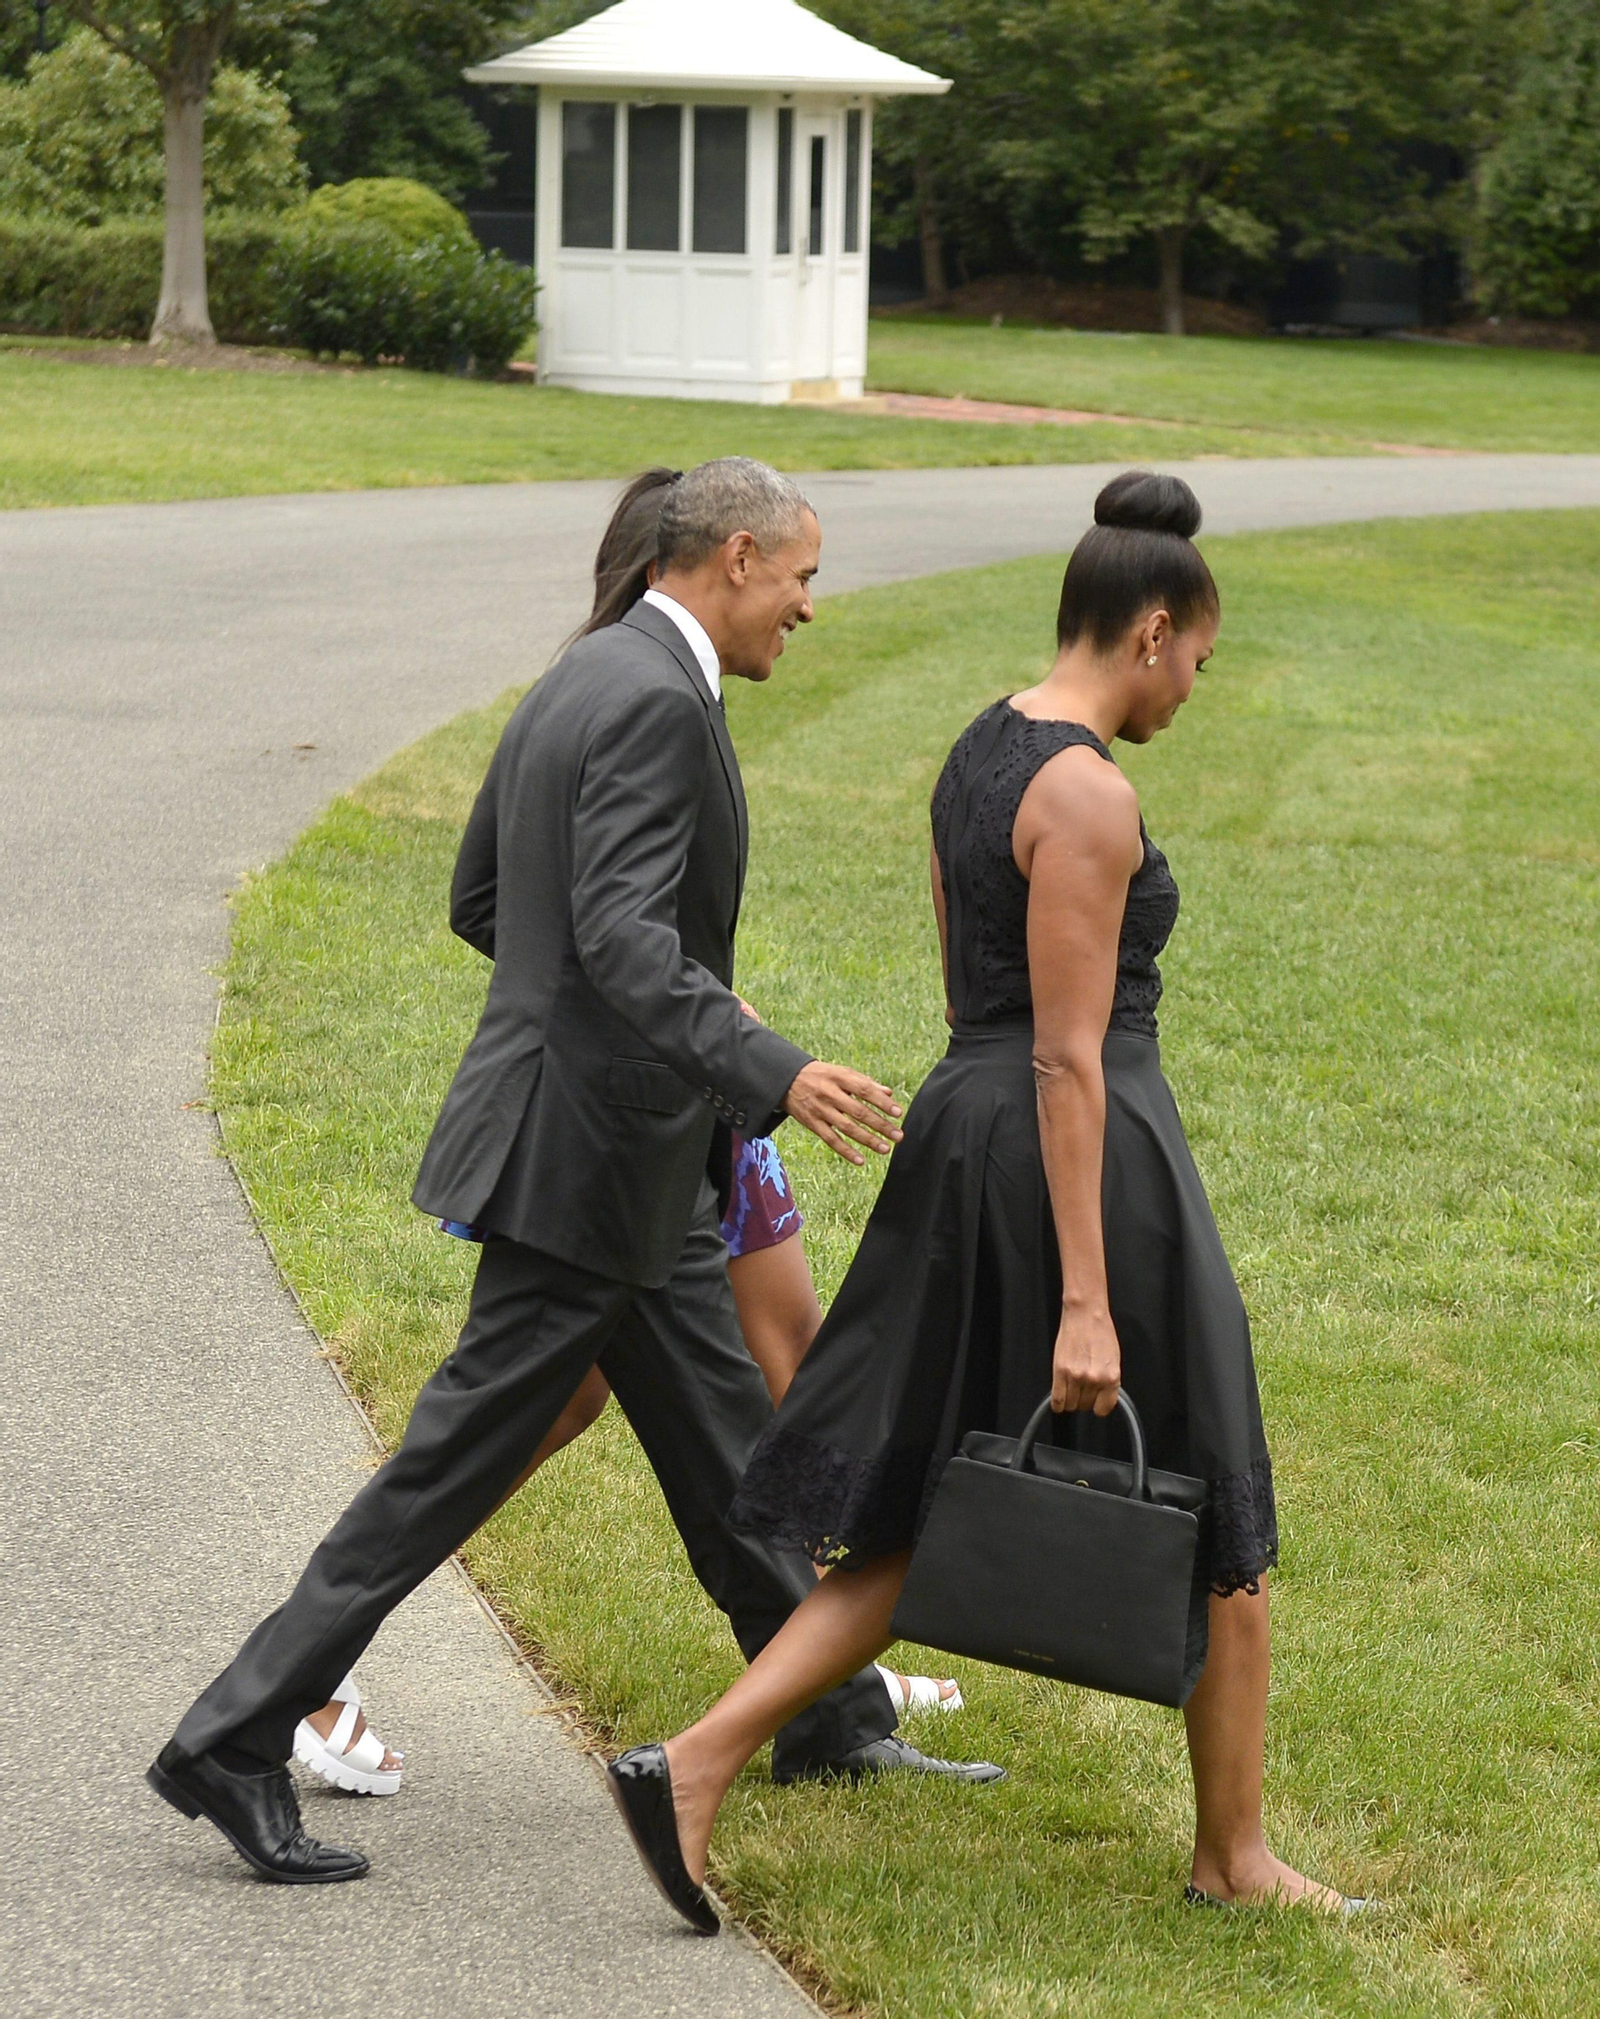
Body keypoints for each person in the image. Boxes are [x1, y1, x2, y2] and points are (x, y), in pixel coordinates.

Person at [149, 457, 998, 1887]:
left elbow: (490, 900)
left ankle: (831, 1713)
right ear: (734, 556)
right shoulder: (656, 699)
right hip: (587, 1171)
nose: (808, 607)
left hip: (630, 1162)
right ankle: (233, 1740)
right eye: (800, 579)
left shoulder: (583, 671)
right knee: (442, 1473)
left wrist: (590, 1040)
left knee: (731, 1446)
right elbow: (615, 935)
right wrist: (764, 1065)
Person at [606, 470, 1366, 1935]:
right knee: (1222, 1509)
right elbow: (1068, 1059)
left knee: (923, 1511)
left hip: (971, 1133)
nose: (1196, 689)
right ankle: (1236, 1855)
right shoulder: (1084, 790)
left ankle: (692, 1764)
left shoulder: (980, 749)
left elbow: (982, 998)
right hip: (1077, 1156)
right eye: (1200, 659)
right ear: (1152, 631)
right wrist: (1087, 1297)